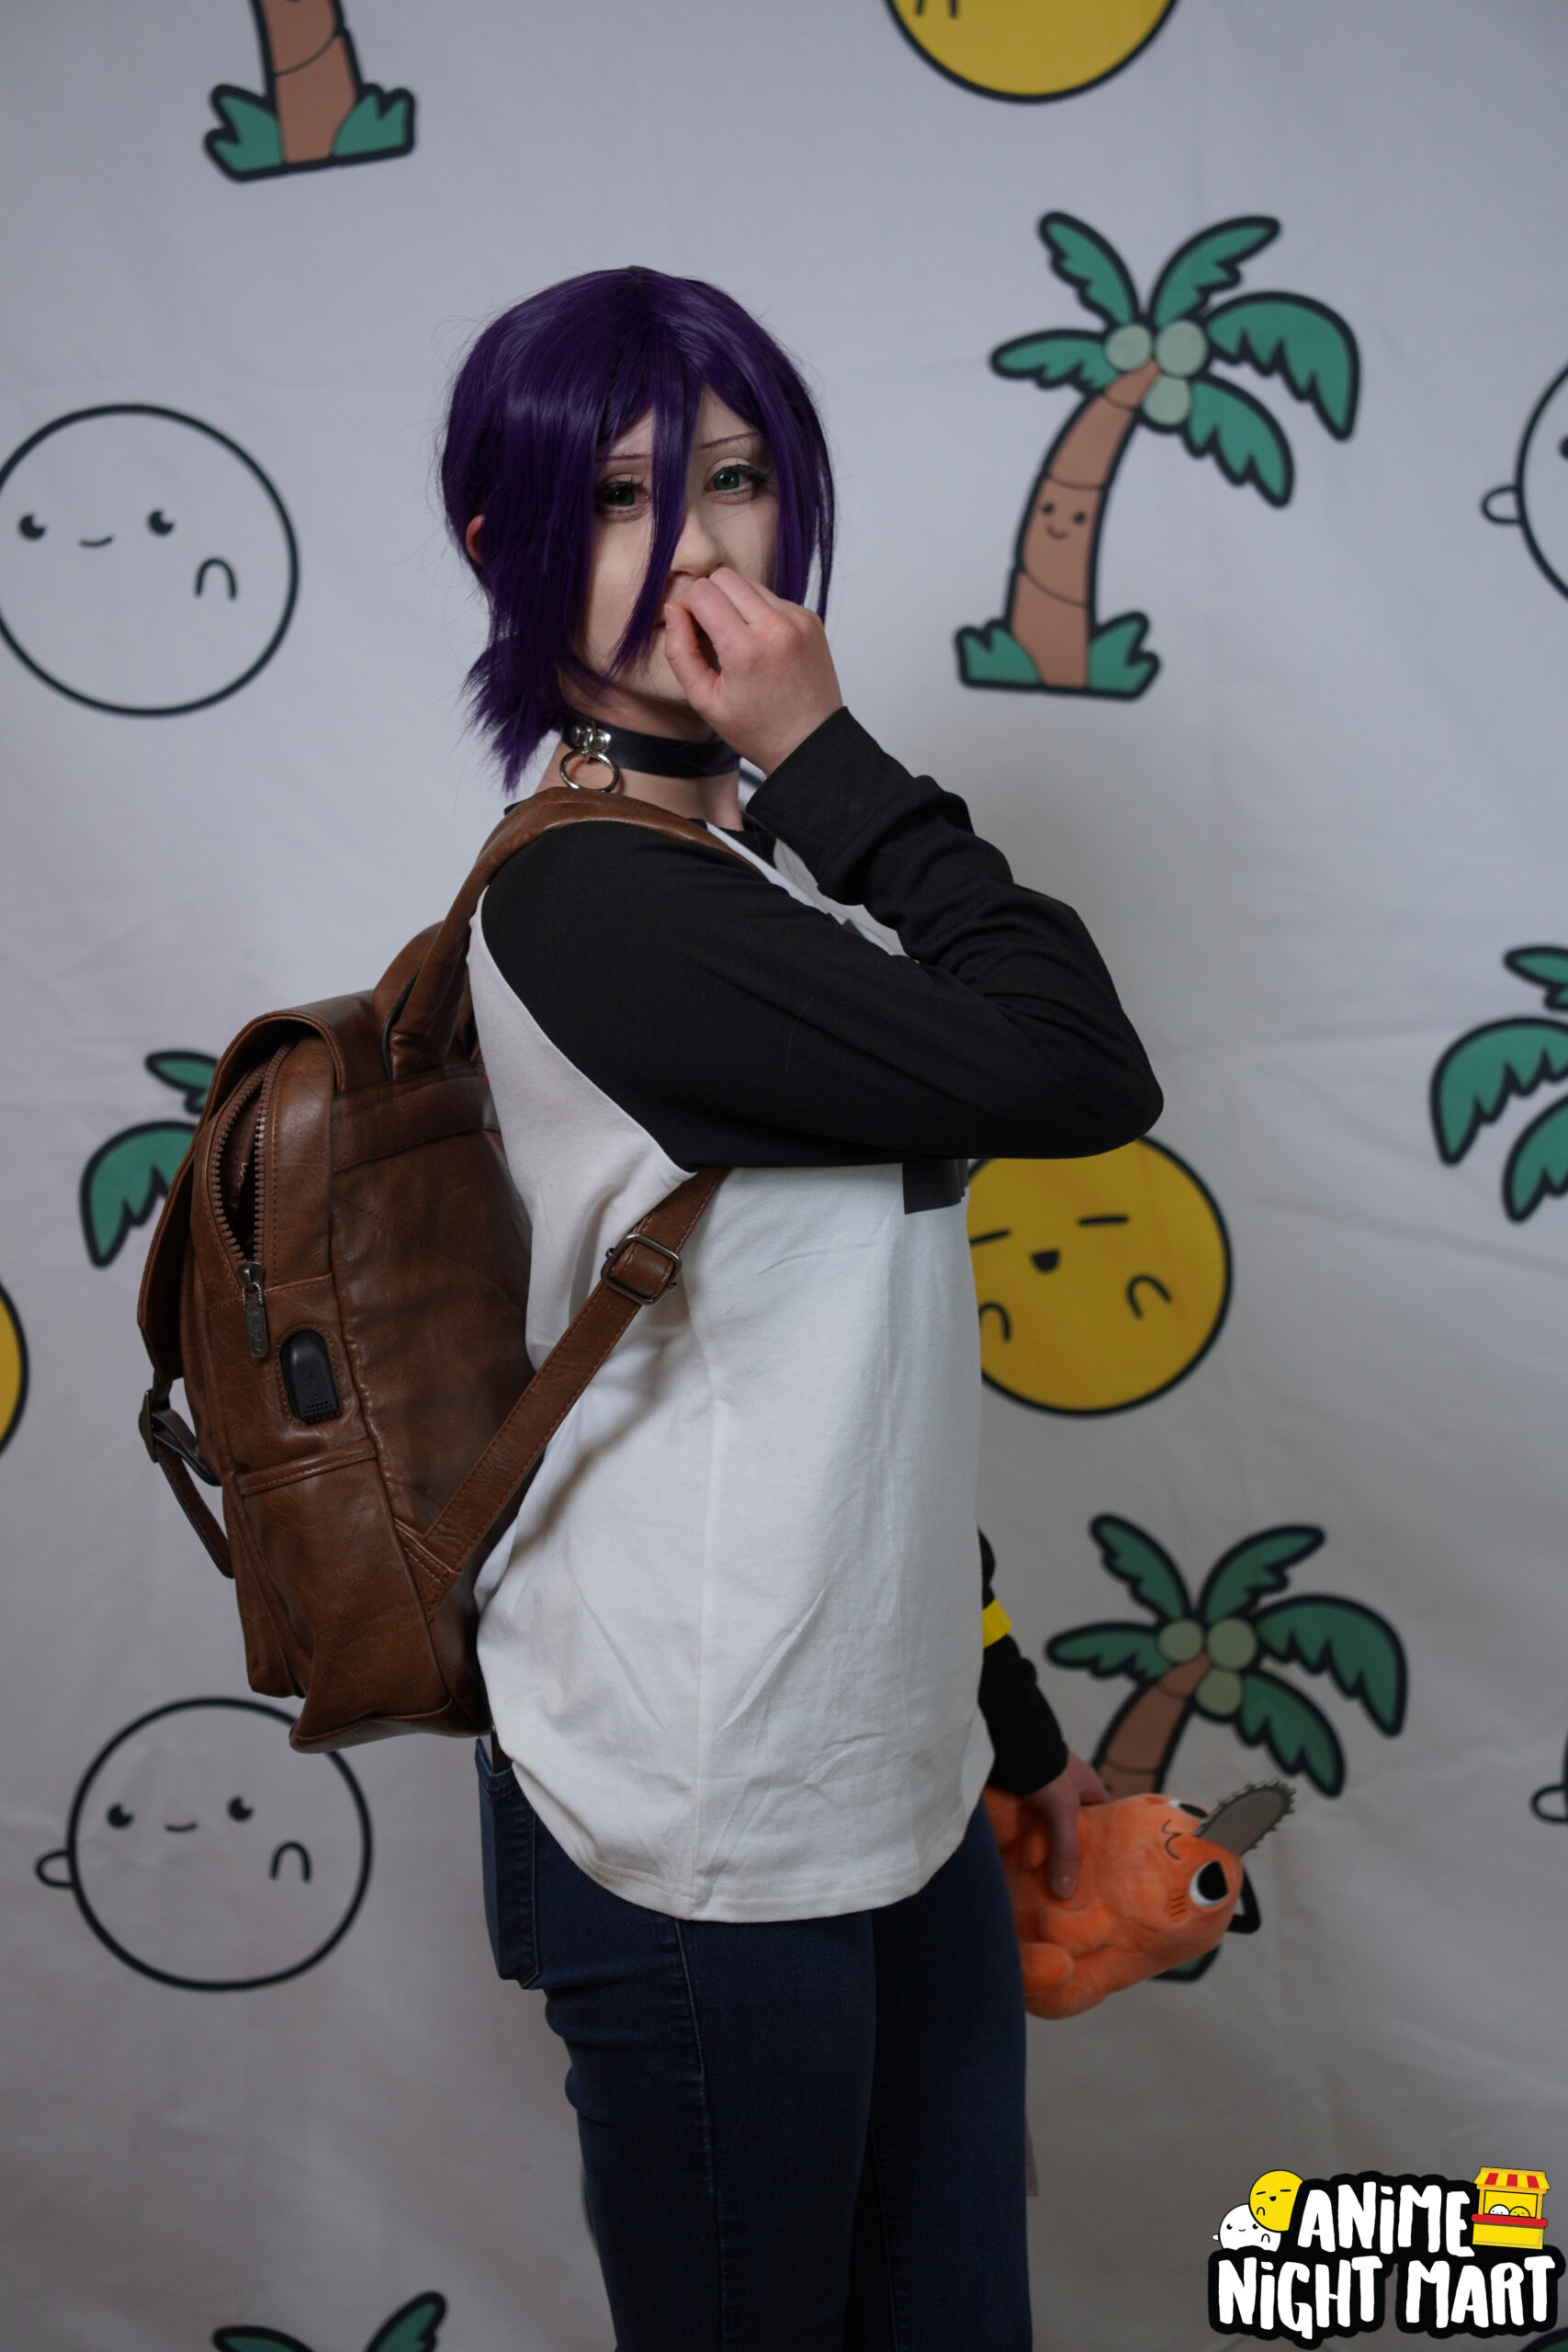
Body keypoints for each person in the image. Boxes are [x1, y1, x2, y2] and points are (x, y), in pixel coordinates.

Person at [440, 266, 1161, 2351]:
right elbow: (1077, 1070)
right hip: (694, 1815)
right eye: (616, 496)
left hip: (886, 1778)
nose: (693, 543)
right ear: (499, 542)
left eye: (735, 478)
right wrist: (828, 751)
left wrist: (1006, 1726)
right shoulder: (590, 897)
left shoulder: (746, 880)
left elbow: (837, 1367)